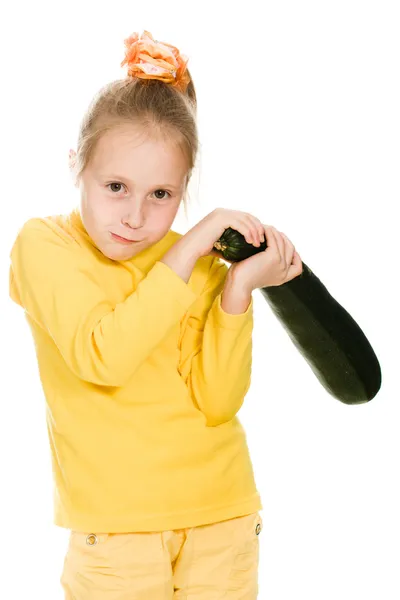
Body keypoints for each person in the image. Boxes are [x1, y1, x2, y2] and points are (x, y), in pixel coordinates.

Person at [8, 29, 302, 599]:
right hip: (118, 533)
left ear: (183, 188)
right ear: (76, 167)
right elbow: (103, 355)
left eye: (161, 195)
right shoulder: (44, 246)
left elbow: (218, 401)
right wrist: (188, 247)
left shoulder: (200, 266)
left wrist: (237, 288)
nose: (135, 216)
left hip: (224, 514)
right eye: (116, 186)